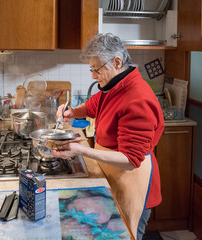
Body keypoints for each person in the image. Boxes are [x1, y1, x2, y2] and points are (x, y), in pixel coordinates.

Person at [52, 33, 164, 240]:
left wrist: (81, 150)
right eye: (91, 69)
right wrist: (72, 112)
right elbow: (95, 105)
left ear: (117, 62)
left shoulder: (137, 98)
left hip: (133, 183)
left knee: (127, 235)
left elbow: (131, 160)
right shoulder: (114, 86)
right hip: (114, 176)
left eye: (96, 69)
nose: (93, 75)